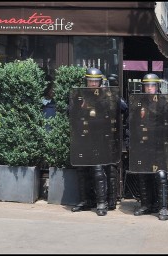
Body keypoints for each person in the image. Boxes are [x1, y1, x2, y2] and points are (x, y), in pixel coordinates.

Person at [71, 67, 121, 216]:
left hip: (99, 138)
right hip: (83, 138)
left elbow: (113, 112)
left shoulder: (105, 96)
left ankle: (101, 202)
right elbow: (71, 112)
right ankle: (85, 200)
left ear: (100, 82)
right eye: (90, 81)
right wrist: (79, 108)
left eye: (95, 81)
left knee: (98, 170)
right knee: (82, 170)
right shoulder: (80, 95)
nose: (92, 84)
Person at [132, 73, 168, 221]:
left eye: (152, 85)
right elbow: (132, 122)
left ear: (156, 86)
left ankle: (163, 207)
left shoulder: (163, 102)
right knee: (143, 175)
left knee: (160, 176)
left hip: (158, 145)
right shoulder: (138, 102)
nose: (149, 88)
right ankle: (146, 204)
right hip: (142, 145)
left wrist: (163, 140)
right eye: (147, 85)